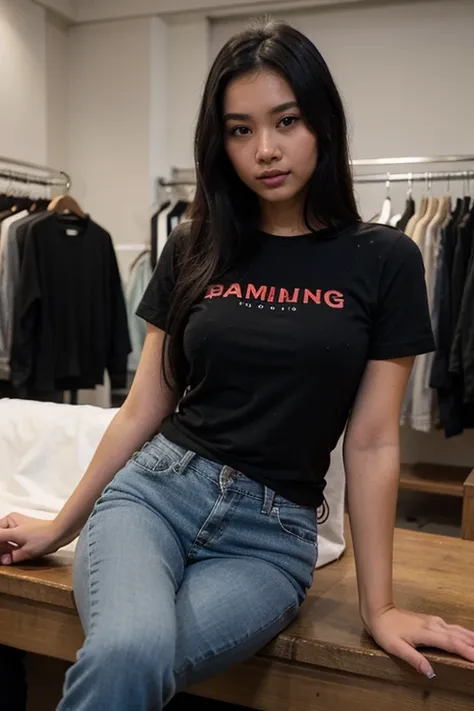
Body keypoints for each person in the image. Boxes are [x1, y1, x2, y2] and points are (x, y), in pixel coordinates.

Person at [1, 19, 473, 710]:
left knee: (133, 661)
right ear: (219, 142)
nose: (266, 149)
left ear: (323, 123)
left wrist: (380, 605)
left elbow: (371, 442)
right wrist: (61, 524)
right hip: (155, 495)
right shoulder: (194, 243)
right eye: (240, 129)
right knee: (128, 651)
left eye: (286, 120)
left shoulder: (386, 260)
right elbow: (145, 405)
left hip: (272, 534)